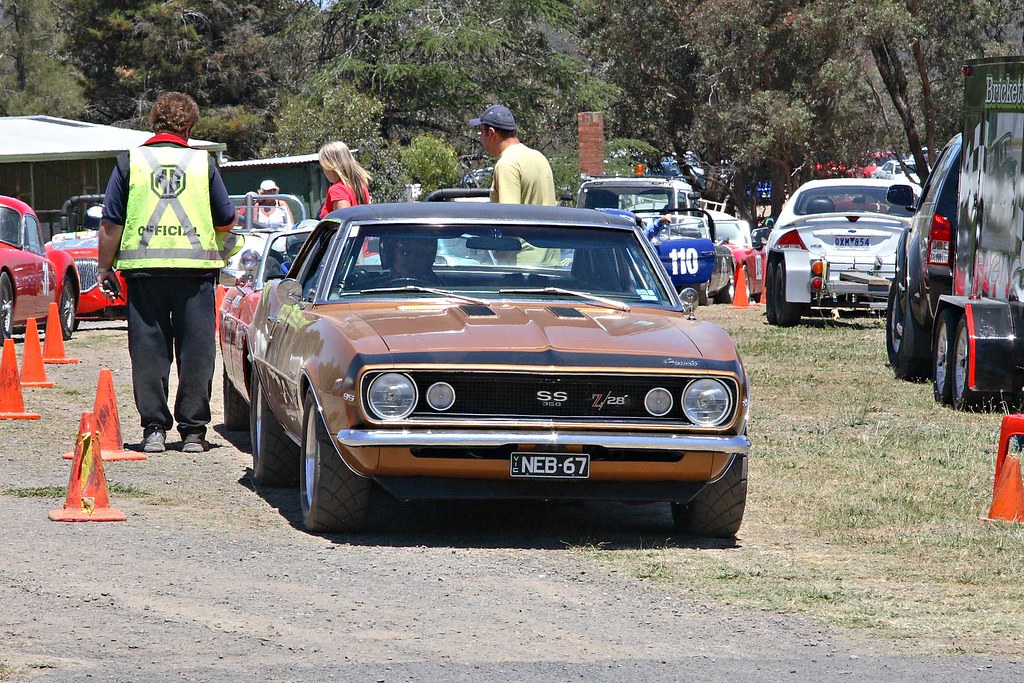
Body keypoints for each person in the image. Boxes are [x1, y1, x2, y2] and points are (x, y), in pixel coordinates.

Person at [97, 92, 238, 454]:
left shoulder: (130, 162)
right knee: (197, 351)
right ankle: (193, 432)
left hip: (144, 274)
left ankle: (154, 429)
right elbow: (226, 218)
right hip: (195, 275)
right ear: (189, 127)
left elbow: (111, 223)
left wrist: (104, 267)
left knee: (149, 351)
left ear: (153, 123)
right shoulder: (202, 164)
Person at [468, 104, 558, 265]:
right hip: (551, 264)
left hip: (522, 266)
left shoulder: (507, 164)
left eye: (481, 131)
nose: (480, 137)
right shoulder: (539, 157)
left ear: (491, 133)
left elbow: (509, 219)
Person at [318, 142, 371, 218]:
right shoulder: (361, 186)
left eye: (323, 165)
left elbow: (343, 219)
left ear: (330, 166)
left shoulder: (337, 190)